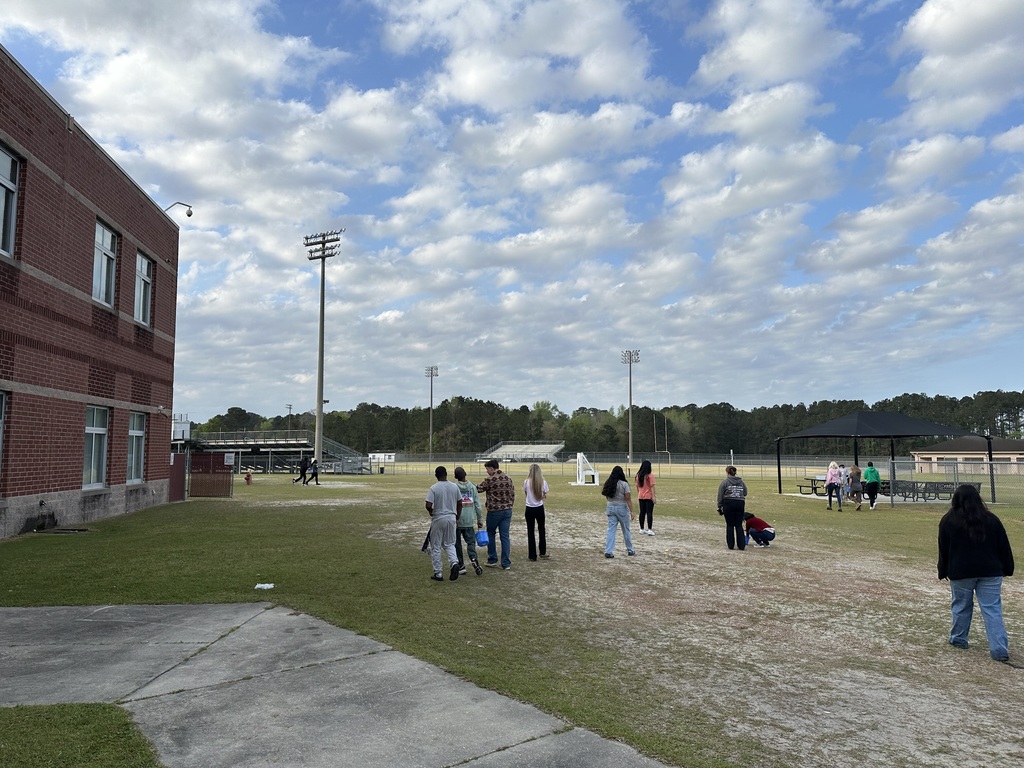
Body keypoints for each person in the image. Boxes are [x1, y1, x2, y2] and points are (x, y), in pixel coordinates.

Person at [937, 484, 1014, 662]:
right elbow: (1003, 546)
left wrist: (943, 570)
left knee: (961, 606)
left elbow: (944, 548)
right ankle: (999, 649)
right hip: (990, 571)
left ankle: (958, 638)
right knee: (992, 609)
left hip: (961, 572)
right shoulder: (991, 519)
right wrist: (1007, 567)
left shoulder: (948, 520)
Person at [425, 466, 463, 582]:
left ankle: (438, 573)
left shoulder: (434, 488)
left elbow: (428, 505)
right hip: (451, 517)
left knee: (436, 546)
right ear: (447, 474)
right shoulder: (454, 486)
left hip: (439, 517)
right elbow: (460, 503)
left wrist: (431, 512)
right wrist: (457, 517)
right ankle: (454, 562)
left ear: (436, 475)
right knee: (450, 544)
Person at [476, 459, 515, 570]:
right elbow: (513, 494)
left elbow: (478, 489)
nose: (487, 472)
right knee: (505, 536)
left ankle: (492, 559)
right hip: (507, 510)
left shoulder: (490, 480)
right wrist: (510, 505)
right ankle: (506, 563)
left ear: (492, 468)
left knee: (491, 533)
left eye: (487, 469)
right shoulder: (508, 478)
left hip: (494, 511)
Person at [453, 466, 484, 576]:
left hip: (457, 520)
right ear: (465, 474)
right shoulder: (472, 487)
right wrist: (480, 519)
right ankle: (473, 558)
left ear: (456, 477)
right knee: (471, 542)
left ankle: (461, 565)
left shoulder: (454, 487)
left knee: (457, 544)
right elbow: (477, 505)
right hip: (469, 520)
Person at [601, 465, 635, 558]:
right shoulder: (624, 484)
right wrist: (632, 511)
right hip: (622, 509)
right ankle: (630, 549)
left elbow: (607, 496)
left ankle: (608, 550)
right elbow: (627, 498)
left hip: (610, 507)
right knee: (626, 530)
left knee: (611, 530)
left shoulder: (608, 483)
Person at [716, 466, 748, 550]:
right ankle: (741, 545)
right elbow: (745, 492)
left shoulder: (725, 482)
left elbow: (720, 495)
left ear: (727, 472)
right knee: (739, 525)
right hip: (740, 503)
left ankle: (731, 545)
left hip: (728, 503)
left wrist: (719, 506)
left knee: (730, 525)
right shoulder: (741, 482)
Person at [523, 463, 550, 561]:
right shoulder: (543, 482)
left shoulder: (526, 482)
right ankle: (542, 551)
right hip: (539, 508)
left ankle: (532, 555)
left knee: (531, 532)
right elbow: (544, 495)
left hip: (529, 508)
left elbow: (526, 493)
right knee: (541, 529)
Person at [635, 460, 657, 535]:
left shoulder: (638, 475)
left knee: (642, 512)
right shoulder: (650, 475)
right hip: (648, 496)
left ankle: (641, 528)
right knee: (649, 512)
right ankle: (650, 529)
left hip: (641, 496)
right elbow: (652, 487)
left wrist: (639, 493)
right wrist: (654, 497)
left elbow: (637, 486)